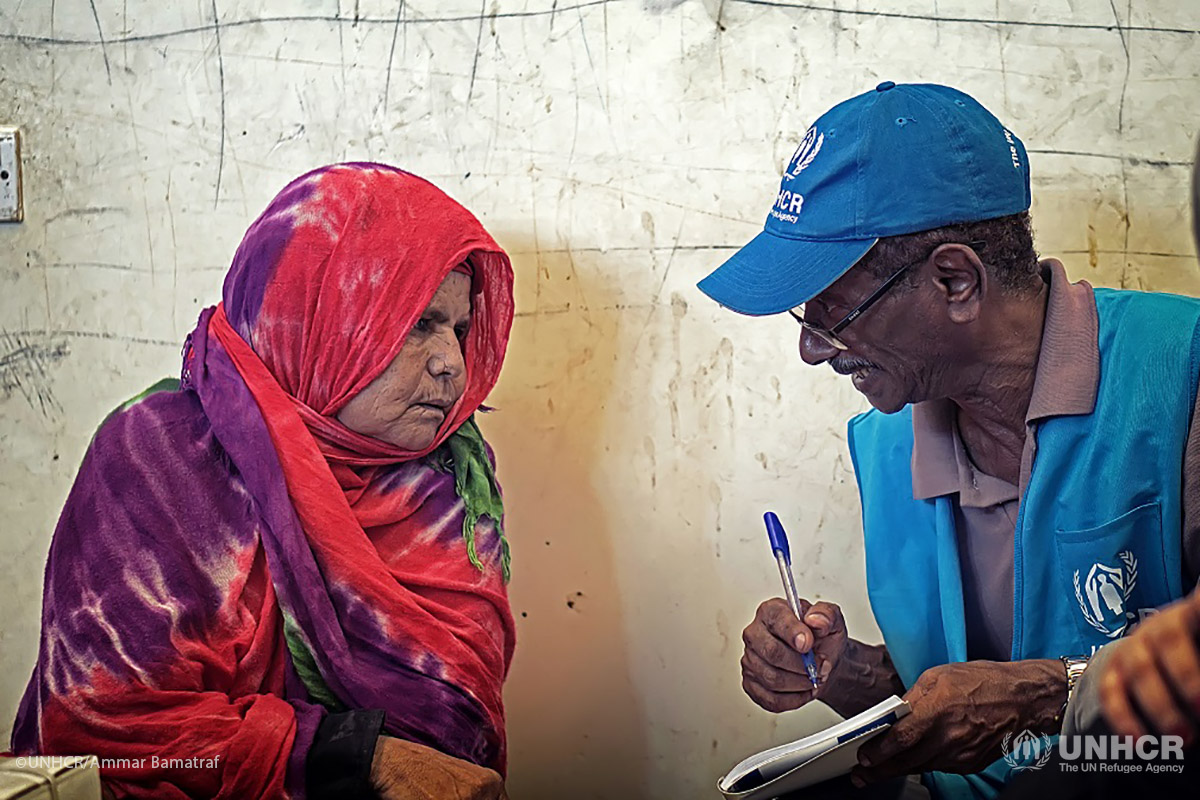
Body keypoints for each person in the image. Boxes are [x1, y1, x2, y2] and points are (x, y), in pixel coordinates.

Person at [698, 82, 1200, 799]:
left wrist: (1046, 696)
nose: (813, 350)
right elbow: (954, 694)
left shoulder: (1181, 373)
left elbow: (1011, 700)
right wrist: (841, 673)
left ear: (956, 279)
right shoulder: (884, 441)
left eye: (833, 312)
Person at [10, 163, 517, 800]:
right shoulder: (158, 457)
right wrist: (351, 759)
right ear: (316, 317)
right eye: (418, 323)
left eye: (461, 329)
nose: (451, 363)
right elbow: (101, 731)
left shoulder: (449, 480)